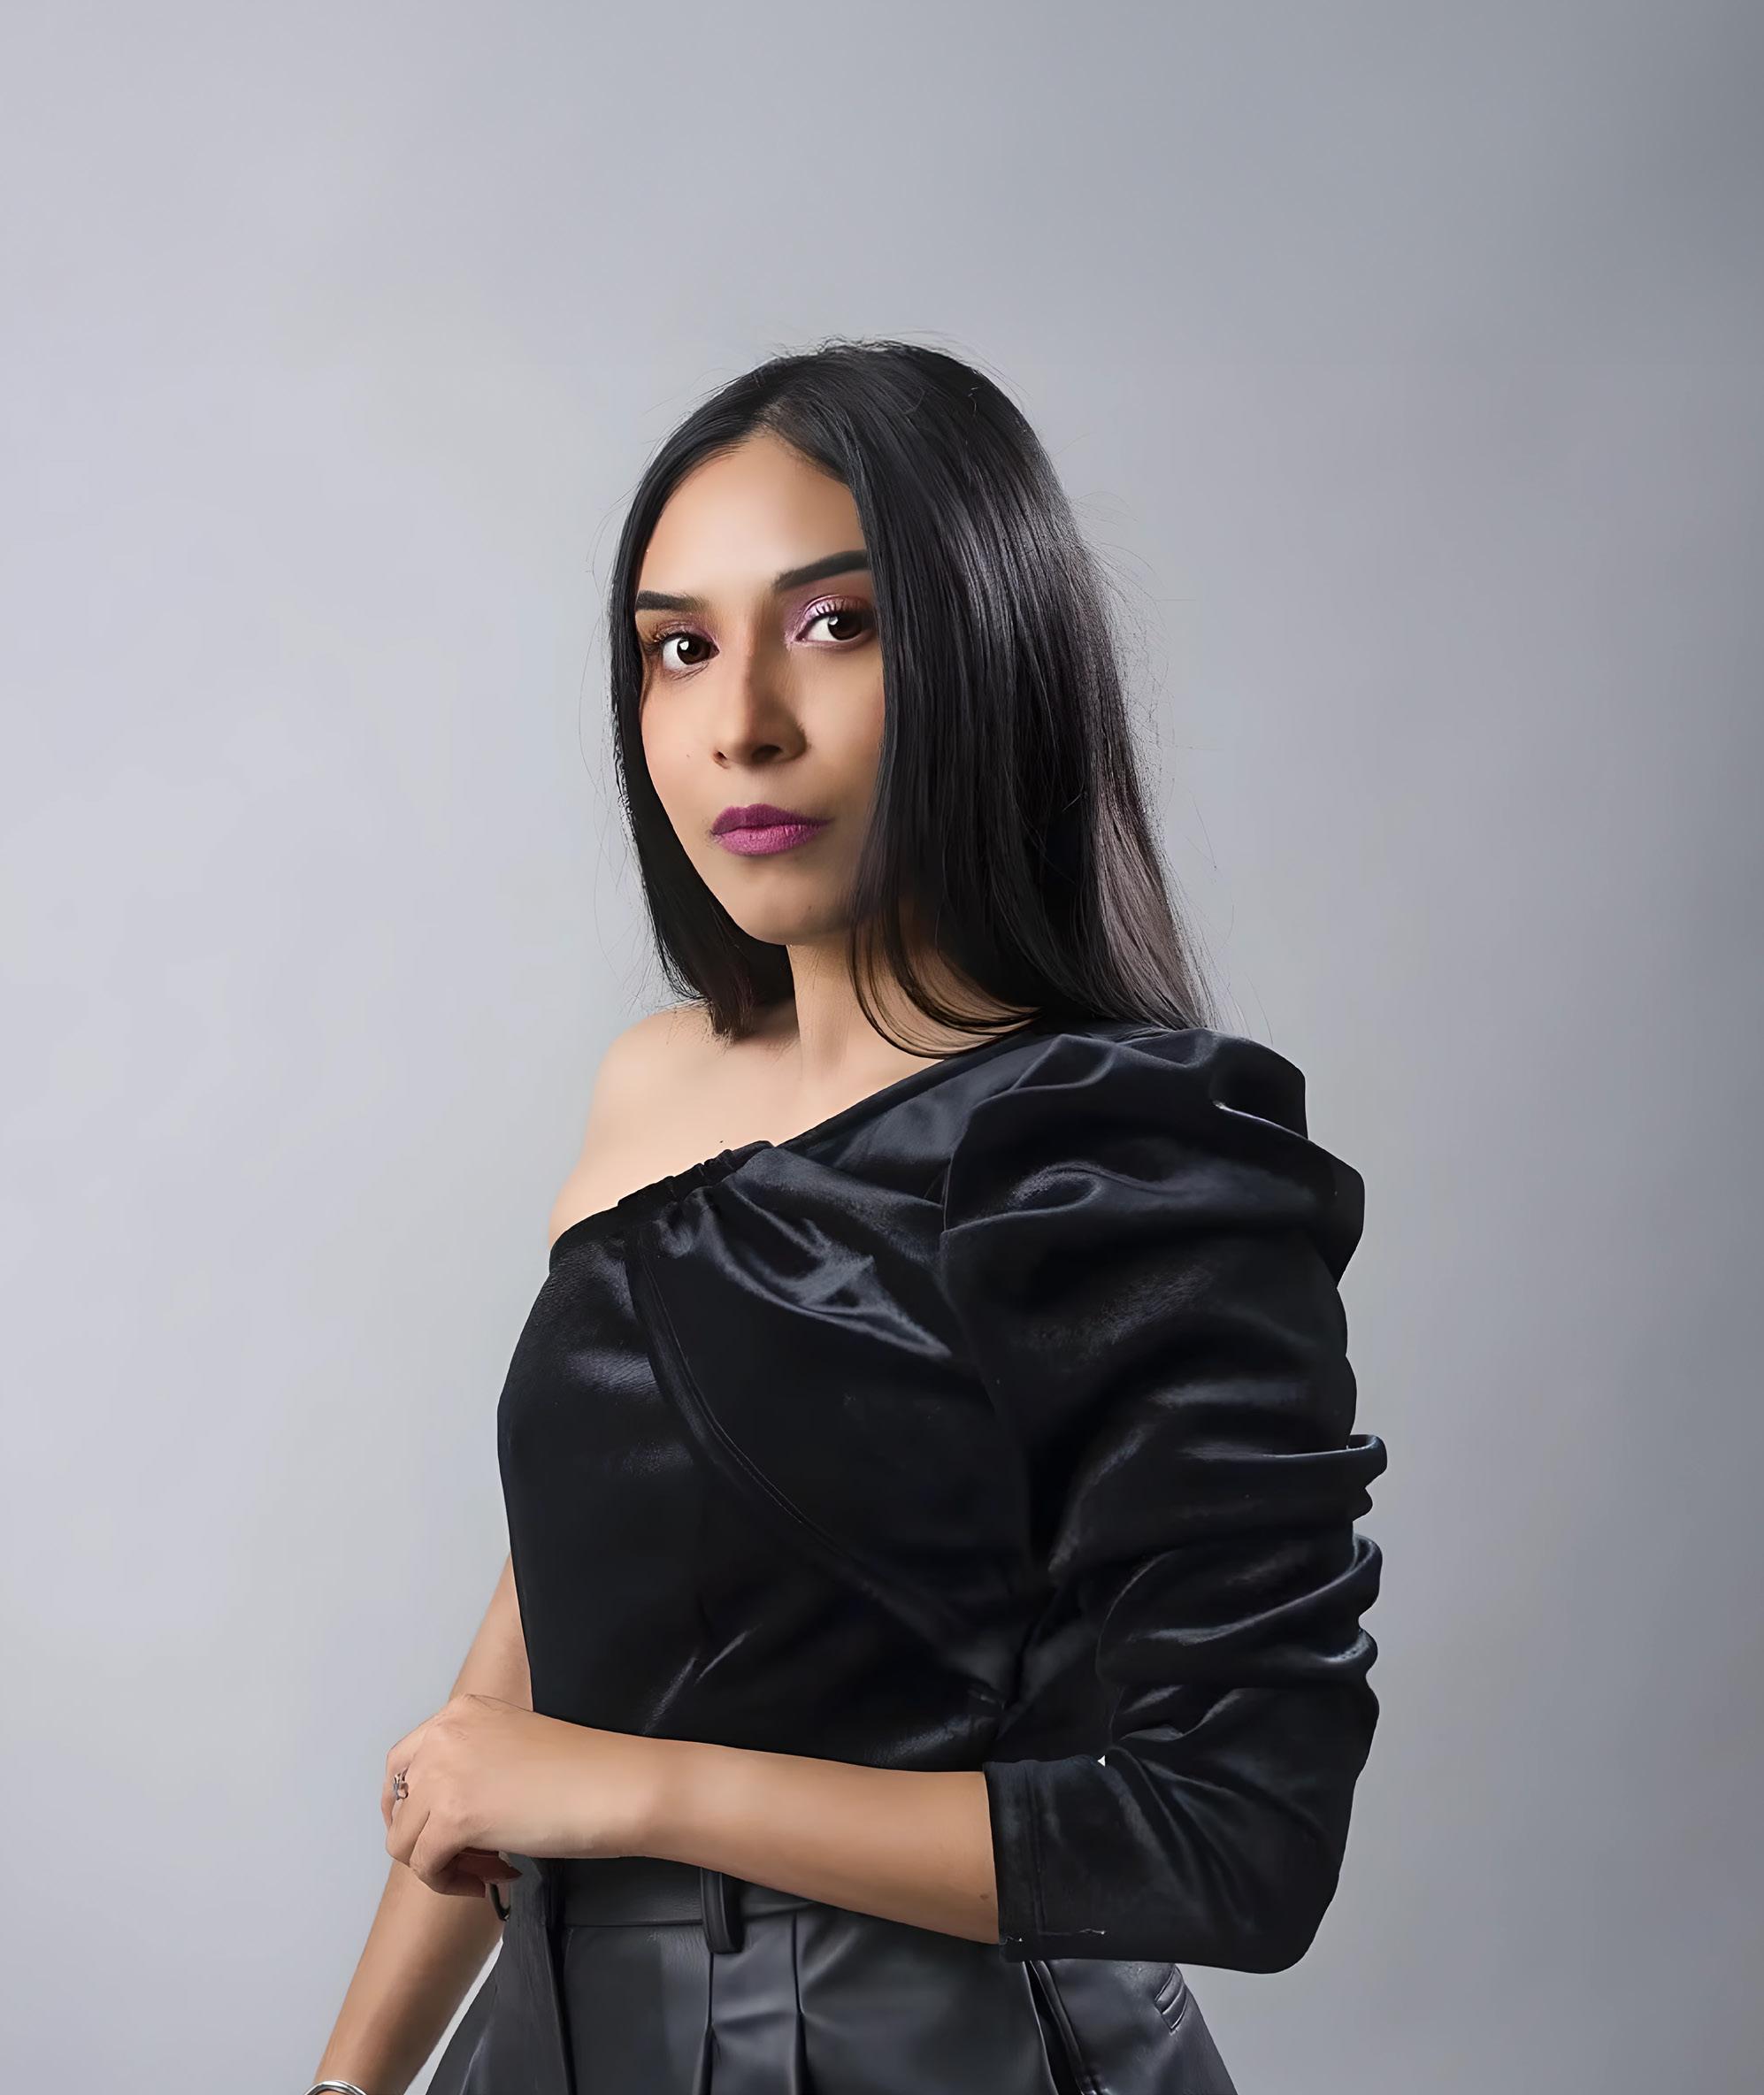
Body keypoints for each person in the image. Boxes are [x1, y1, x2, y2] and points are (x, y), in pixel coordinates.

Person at [307, 339, 1388, 2095]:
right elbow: (544, 1646)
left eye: (833, 624)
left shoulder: (1120, 1159)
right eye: (678, 645)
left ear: (986, 654)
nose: (740, 719)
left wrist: (636, 1791)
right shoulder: (649, 1087)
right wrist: (352, 2077)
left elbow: (1233, 1841)